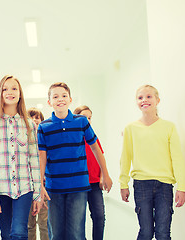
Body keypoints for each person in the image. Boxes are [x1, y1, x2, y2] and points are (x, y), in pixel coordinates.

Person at [37, 82, 112, 240]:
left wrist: (105, 174)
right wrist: (40, 184)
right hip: (54, 188)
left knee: (76, 234)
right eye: (55, 96)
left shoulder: (81, 122)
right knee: (56, 234)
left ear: (70, 99)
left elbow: (95, 148)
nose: (60, 99)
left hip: (78, 186)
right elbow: (42, 156)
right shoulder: (44, 127)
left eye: (64, 96)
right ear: (49, 102)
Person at [119, 84, 185, 239]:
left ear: (158, 100)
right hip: (142, 185)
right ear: (136, 102)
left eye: (149, 96)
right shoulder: (131, 128)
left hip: (164, 185)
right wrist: (123, 184)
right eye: (140, 97)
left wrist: (181, 187)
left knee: (163, 233)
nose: (144, 100)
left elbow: (177, 158)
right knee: (146, 232)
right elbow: (125, 158)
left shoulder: (169, 127)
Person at [0, 75, 42, 240]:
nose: (10, 92)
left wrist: (37, 194)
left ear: (20, 93)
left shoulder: (29, 124)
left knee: (19, 233)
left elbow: (34, 161)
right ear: (0, 94)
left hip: (24, 188)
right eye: (5, 89)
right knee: (6, 235)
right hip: (1, 190)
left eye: (14, 88)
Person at [74, 105, 106, 240]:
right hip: (79, 185)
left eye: (90, 118)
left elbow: (101, 157)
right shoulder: (74, 138)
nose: (88, 120)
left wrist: (103, 176)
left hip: (94, 184)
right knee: (78, 219)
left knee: (99, 216)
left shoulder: (93, 136)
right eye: (84, 117)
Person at [27, 107, 50, 240]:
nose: (35, 120)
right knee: (29, 225)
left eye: (37, 117)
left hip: (43, 186)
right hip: (28, 187)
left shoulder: (45, 139)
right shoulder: (24, 139)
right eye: (32, 117)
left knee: (44, 223)